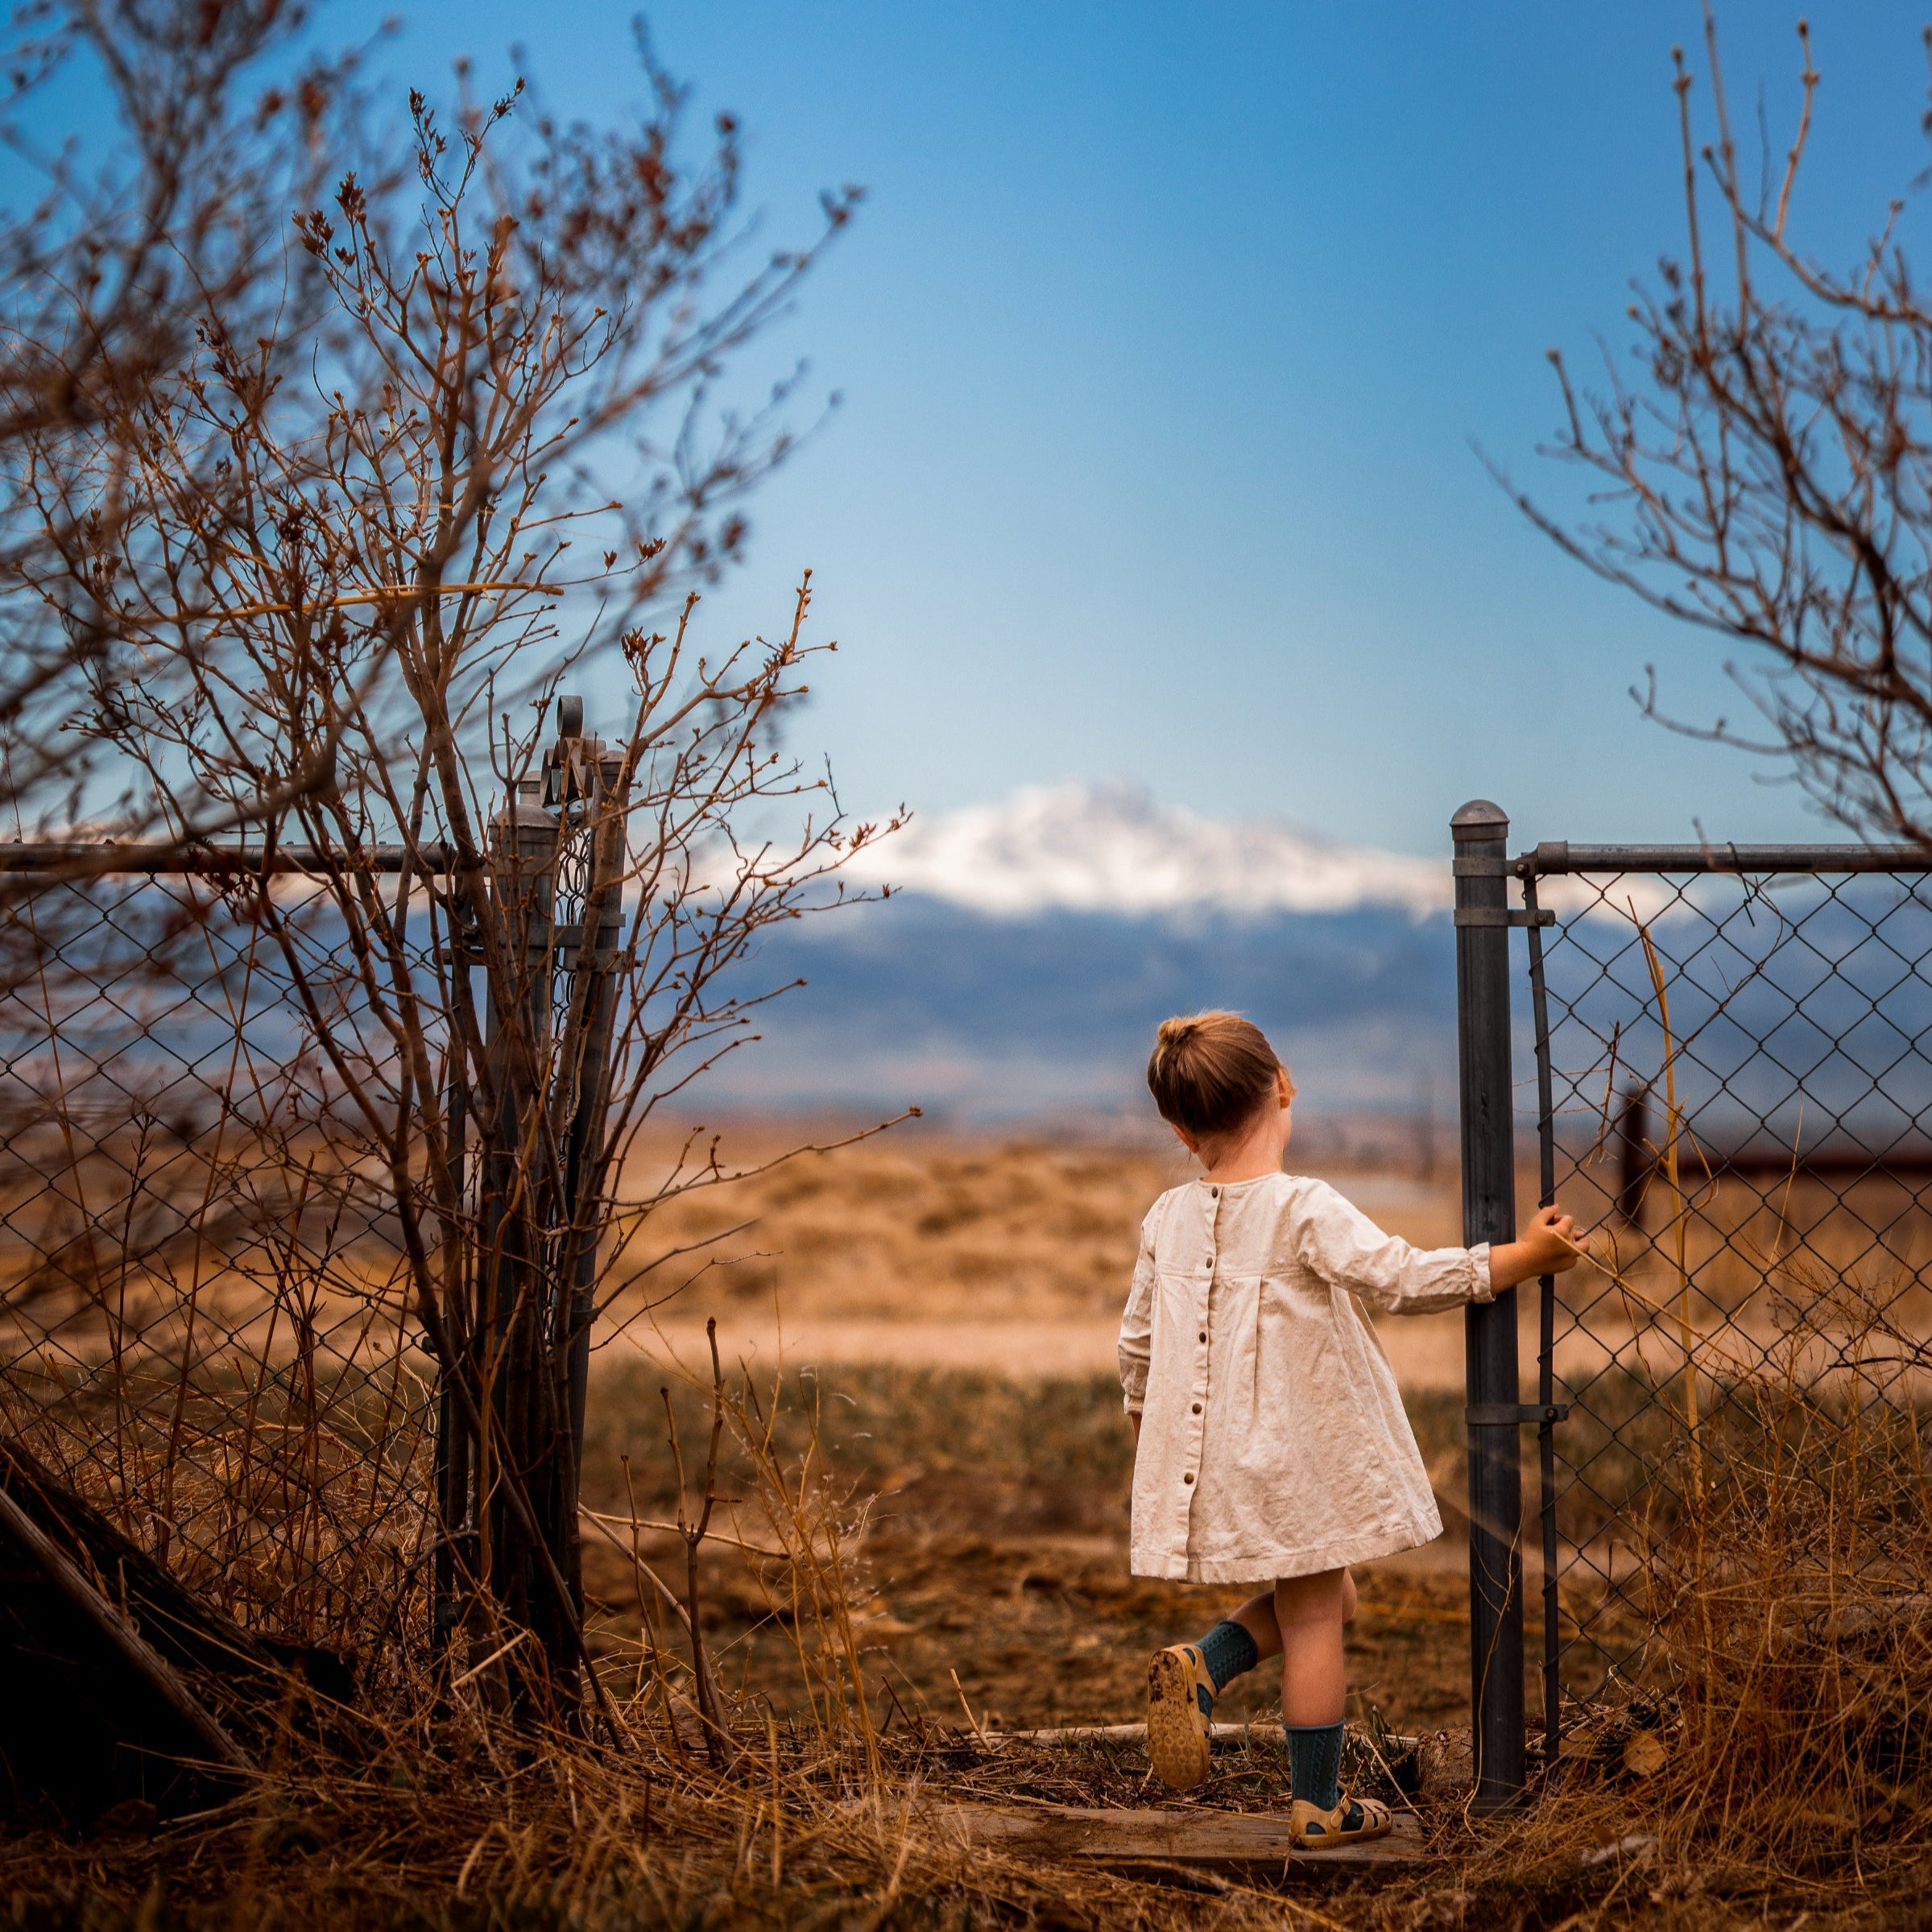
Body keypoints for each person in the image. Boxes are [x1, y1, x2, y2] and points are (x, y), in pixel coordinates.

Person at [1118, 1011, 1588, 1847]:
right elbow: (1400, 1277)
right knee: (1313, 1621)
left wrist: (1143, 1436)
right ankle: (1317, 1804)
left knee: (1334, 1592)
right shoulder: (1303, 1206)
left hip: (1208, 1456)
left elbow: (1136, 1345)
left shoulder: (1165, 1217)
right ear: (1284, 1084)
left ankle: (1203, 1667)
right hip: (1293, 1459)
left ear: (1180, 1131)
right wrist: (1520, 1258)